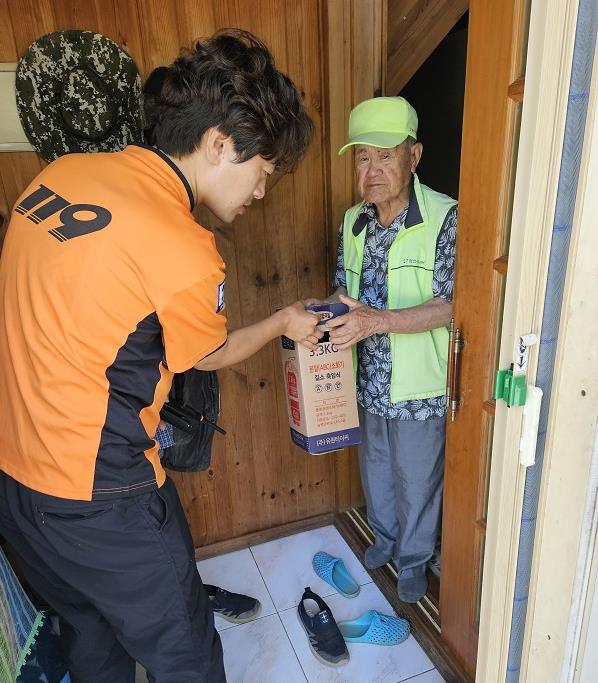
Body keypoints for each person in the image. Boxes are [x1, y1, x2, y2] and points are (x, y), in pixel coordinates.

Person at [0, 29, 321, 682]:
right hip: (103, 499)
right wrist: (284, 321)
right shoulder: (182, 247)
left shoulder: (57, 178)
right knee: (187, 658)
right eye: (263, 174)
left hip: (16, 486)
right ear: (219, 144)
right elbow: (206, 353)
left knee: (92, 638)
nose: (260, 193)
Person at [323, 96, 457, 603]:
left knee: (417, 477)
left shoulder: (444, 217)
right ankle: (385, 538)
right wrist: (324, 314)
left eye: (385, 155)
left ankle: (415, 558)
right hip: (367, 374)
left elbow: (451, 306)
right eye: (363, 157)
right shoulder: (353, 221)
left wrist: (377, 320)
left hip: (419, 380)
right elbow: (343, 287)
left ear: (414, 156)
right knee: (376, 465)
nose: (372, 169)